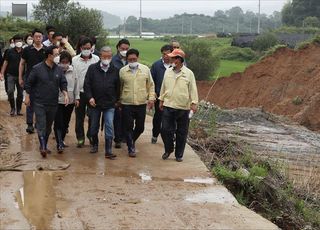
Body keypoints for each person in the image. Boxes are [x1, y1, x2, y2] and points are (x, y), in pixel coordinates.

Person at [25, 45, 69, 158]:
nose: (58, 57)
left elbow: (63, 82)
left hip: (53, 103)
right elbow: (29, 83)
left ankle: (43, 145)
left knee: (48, 127)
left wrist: (65, 93)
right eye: (56, 55)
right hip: (39, 102)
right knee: (41, 125)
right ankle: (43, 147)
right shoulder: (37, 68)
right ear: (49, 56)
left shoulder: (58, 69)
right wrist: (27, 96)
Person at [159, 49, 198, 162]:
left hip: (183, 107)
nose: (170, 59)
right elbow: (163, 86)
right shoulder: (168, 71)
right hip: (168, 105)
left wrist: (194, 103)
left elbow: (193, 89)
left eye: (172, 58)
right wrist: (161, 100)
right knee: (165, 129)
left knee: (182, 132)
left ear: (179, 59)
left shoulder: (189, 73)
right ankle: (169, 148)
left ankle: (179, 154)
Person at [84, 46, 120, 159]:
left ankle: (108, 150)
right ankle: (94, 144)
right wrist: (90, 97)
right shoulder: (92, 68)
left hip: (109, 104)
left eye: (109, 57)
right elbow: (87, 85)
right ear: (100, 56)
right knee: (94, 126)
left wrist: (116, 100)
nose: (107, 58)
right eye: (104, 56)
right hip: (95, 103)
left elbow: (118, 87)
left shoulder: (115, 70)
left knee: (109, 125)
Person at [119, 48, 155, 157]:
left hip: (141, 103)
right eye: (130, 59)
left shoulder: (145, 70)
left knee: (140, 127)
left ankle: (132, 140)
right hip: (127, 103)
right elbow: (119, 87)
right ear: (127, 60)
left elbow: (151, 85)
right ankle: (131, 148)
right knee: (128, 126)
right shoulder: (122, 71)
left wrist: (151, 98)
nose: (132, 61)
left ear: (138, 58)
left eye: (134, 59)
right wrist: (119, 101)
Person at [72, 37, 99, 148]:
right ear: (80, 48)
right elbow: (73, 78)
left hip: (93, 94)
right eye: (84, 48)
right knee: (79, 117)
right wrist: (76, 96)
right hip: (80, 93)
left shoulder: (96, 59)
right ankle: (80, 137)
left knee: (93, 117)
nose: (87, 50)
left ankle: (91, 135)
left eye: (89, 48)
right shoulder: (74, 60)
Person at [19, 29, 46, 134]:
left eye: (40, 36)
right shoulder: (27, 50)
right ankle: (30, 124)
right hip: (30, 79)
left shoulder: (46, 50)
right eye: (36, 36)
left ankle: (38, 122)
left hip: (43, 80)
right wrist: (21, 77)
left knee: (41, 102)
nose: (38, 38)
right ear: (33, 37)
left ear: (42, 37)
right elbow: (22, 64)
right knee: (29, 101)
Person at [53, 51, 79, 153]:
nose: (64, 64)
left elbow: (77, 85)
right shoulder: (55, 71)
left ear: (69, 62)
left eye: (66, 62)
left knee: (65, 122)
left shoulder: (73, 71)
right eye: (62, 62)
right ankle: (59, 143)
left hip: (70, 101)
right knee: (58, 122)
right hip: (57, 101)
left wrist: (77, 98)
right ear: (59, 62)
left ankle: (62, 139)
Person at [150, 44, 173, 144]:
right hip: (159, 96)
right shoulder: (156, 65)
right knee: (158, 117)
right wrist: (153, 93)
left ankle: (169, 137)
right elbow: (151, 81)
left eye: (168, 54)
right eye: (164, 54)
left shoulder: (175, 66)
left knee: (170, 118)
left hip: (171, 97)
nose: (166, 56)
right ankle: (155, 134)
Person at [111, 38, 130, 148]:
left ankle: (124, 136)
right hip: (116, 92)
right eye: (123, 48)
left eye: (127, 49)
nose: (124, 51)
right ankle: (117, 138)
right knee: (117, 117)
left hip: (127, 92)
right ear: (118, 48)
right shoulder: (113, 60)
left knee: (126, 117)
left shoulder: (131, 60)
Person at [0, 34, 24, 116]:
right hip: (10, 75)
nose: (19, 42)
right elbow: (5, 62)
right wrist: (2, 73)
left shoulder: (25, 51)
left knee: (20, 93)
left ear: (22, 41)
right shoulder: (9, 51)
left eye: (20, 41)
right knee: (10, 91)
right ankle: (13, 108)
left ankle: (19, 109)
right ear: (14, 41)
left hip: (21, 76)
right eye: (17, 41)